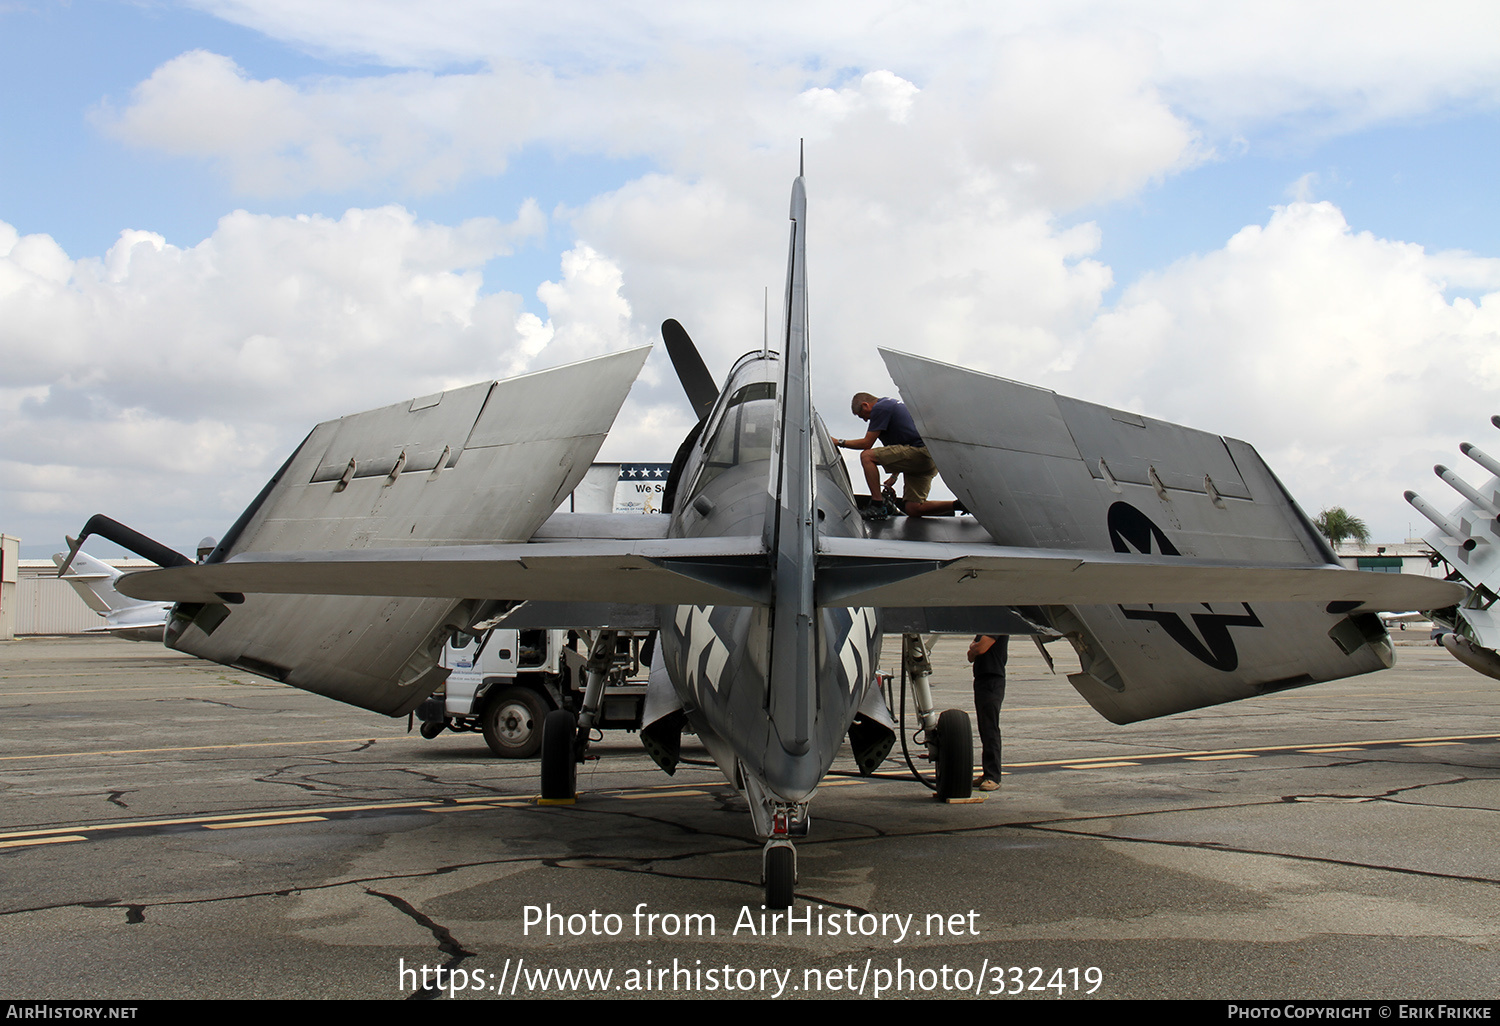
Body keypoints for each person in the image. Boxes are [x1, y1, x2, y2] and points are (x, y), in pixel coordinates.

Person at [832, 393, 954, 517]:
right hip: (930, 458)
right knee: (914, 508)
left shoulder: (880, 408)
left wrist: (838, 442)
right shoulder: (891, 405)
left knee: (867, 456)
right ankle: (958, 505)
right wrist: (894, 477)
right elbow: (900, 448)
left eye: (861, 415)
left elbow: (866, 443)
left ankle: (877, 505)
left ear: (865, 405)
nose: (865, 420)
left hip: (920, 452)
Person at [967, 634, 1008, 791]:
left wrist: (975, 647)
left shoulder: (995, 626)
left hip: (993, 680)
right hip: (981, 679)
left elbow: (980, 648)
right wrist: (975, 648)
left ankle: (993, 776)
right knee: (984, 728)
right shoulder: (983, 630)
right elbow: (970, 656)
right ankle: (987, 774)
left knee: (990, 728)